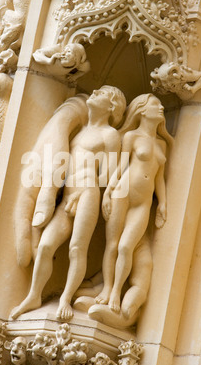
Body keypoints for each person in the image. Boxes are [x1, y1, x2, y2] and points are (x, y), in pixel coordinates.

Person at [10, 86, 126, 321]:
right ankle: (34, 295)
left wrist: (106, 196)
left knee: (76, 248)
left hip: (88, 194)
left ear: (112, 107)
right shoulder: (79, 130)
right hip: (68, 197)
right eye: (97, 90)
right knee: (44, 246)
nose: (95, 94)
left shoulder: (109, 135)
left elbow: (110, 175)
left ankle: (65, 299)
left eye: (102, 93)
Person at [96, 93, 173, 315]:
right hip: (122, 193)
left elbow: (159, 177)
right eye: (155, 104)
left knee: (125, 246)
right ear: (141, 110)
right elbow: (121, 167)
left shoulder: (161, 144)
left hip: (144, 202)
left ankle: (117, 291)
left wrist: (163, 204)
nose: (160, 108)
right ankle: (108, 289)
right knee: (113, 245)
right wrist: (108, 192)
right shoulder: (131, 136)